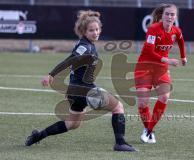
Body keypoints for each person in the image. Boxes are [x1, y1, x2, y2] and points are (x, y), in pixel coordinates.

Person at [25, 10, 136, 152]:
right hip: (84, 90)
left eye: (97, 29)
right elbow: (72, 59)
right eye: (91, 30)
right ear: (84, 31)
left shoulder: (87, 44)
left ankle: (38, 136)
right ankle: (120, 143)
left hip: (76, 90)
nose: (95, 32)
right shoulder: (85, 46)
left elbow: (76, 67)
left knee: (72, 123)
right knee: (118, 107)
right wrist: (51, 74)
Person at [134, 4, 187, 143]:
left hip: (161, 69)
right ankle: (148, 130)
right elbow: (150, 52)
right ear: (162, 15)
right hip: (144, 67)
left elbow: (181, 40)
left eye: (172, 14)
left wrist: (183, 57)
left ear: (176, 17)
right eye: (167, 14)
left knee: (164, 96)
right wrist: (167, 60)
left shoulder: (176, 31)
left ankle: (149, 131)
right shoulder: (153, 29)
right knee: (142, 102)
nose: (170, 17)